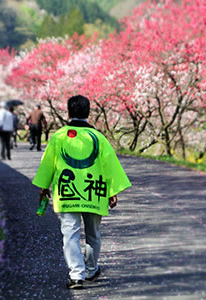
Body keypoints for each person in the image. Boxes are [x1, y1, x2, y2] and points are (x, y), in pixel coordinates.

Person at [32, 95, 132, 289]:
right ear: (88, 113)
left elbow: (47, 164)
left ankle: (76, 275)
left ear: (68, 112)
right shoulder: (98, 137)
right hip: (94, 192)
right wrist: (112, 191)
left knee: (70, 233)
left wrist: (44, 187)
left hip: (68, 193)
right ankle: (92, 270)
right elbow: (110, 165)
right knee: (93, 233)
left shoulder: (59, 136)